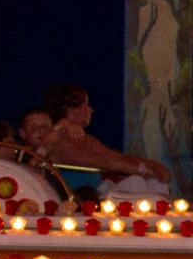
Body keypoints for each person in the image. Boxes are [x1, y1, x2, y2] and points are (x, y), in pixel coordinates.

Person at [41, 83, 170, 193]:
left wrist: (153, 165)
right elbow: (103, 162)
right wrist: (142, 169)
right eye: (87, 105)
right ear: (72, 112)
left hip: (98, 193)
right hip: (78, 200)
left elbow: (116, 156)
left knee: (158, 184)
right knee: (135, 182)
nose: (91, 110)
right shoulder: (59, 141)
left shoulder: (87, 139)